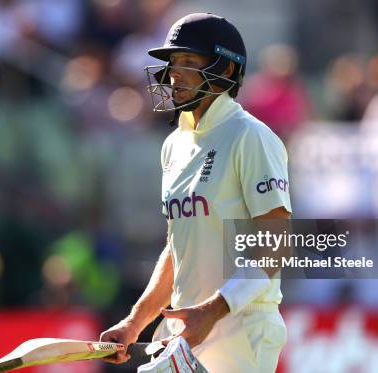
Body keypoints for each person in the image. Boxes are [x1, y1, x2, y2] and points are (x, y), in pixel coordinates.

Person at [100, 13, 291, 372]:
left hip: (239, 330)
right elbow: (178, 248)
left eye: (189, 61)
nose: (174, 73)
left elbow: (276, 242)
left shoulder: (250, 136)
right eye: (172, 63)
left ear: (227, 70)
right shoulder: (174, 145)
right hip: (184, 329)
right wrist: (135, 322)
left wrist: (210, 311)